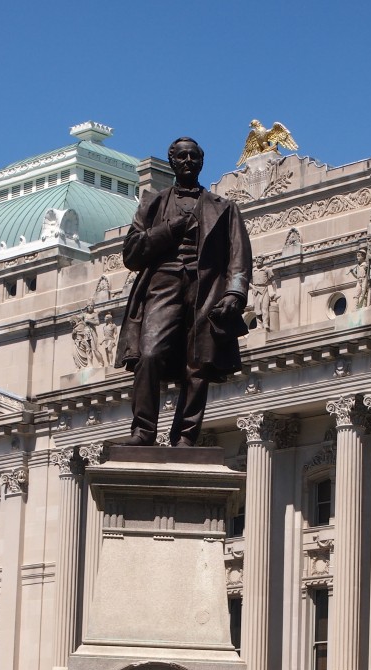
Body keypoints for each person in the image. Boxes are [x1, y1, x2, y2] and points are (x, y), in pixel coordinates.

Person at [115, 137, 252, 447]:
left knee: (198, 364)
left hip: (206, 289)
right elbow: (132, 255)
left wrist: (234, 294)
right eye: (182, 156)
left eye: (194, 156)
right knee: (149, 354)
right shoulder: (152, 204)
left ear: (201, 162)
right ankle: (143, 431)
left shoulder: (224, 208)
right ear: (172, 161)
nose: (188, 161)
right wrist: (171, 229)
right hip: (163, 285)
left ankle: (186, 437)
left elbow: (239, 256)